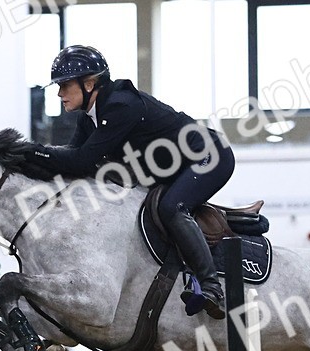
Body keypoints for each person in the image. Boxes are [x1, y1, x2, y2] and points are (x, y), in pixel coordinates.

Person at [25, 45, 234, 319]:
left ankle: (211, 287)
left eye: (65, 85)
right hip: (177, 166)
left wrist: (31, 150)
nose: (59, 93)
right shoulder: (90, 117)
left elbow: (80, 162)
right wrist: (29, 159)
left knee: (172, 207)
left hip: (210, 155)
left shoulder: (121, 106)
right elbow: (70, 159)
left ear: (89, 83)